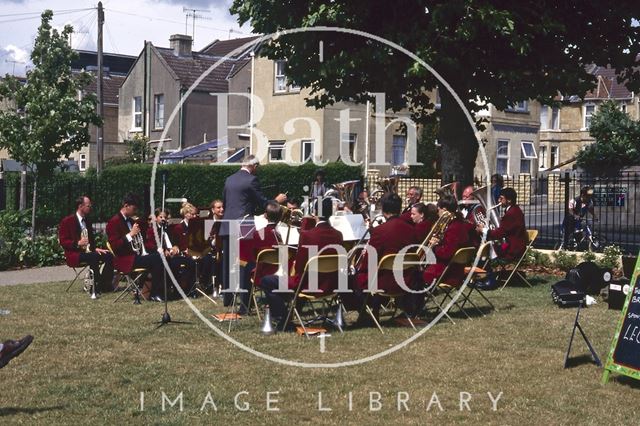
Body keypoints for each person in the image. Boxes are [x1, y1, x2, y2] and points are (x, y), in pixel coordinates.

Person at [260, 197, 343, 329]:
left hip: (308, 284)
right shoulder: (339, 235)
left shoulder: (308, 235)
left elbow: (300, 267)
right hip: (331, 284)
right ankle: (289, 314)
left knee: (266, 281)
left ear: (315, 213)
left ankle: (284, 319)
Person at [221, 155, 287, 306]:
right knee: (245, 263)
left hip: (227, 224)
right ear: (254, 166)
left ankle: (228, 299)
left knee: (227, 264)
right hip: (244, 224)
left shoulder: (229, 179)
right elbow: (263, 202)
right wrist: (277, 201)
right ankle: (245, 302)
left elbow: (225, 203)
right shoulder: (252, 180)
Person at [355, 193, 419, 320]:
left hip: (384, 282)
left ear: (383, 210)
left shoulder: (380, 231)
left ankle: (365, 315)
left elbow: (368, 262)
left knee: (353, 279)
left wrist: (359, 266)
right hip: (407, 279)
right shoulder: (412, 229)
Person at [106, 193, 165, 302]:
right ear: (126, 205)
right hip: (124, 259)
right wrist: (130, 235)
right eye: (134, 208)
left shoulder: (132, 221)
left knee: (159, 256)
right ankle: (154, 293)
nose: (135, 211)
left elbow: (142, 239)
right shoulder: (113, 222)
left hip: (134, 256)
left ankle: (154, 291)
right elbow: (115, 246)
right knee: (157, 259)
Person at [58, 195, 114, 293]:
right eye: (88, 206)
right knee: (93, 257)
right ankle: (96, 284)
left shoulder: (87, 221)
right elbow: (63, 241)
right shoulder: (67, 221)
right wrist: (77, 243)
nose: (90, 208)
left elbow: (90, 241)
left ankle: (104, 284)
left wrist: (95, 248)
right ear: (80, 206)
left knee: (108, 255)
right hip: (74, 254)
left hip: (88, 252)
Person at [422, 195, 472, 288]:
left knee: (416, 274)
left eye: (438, 210)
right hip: (454, 268)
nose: (438, 213)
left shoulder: (453, 228)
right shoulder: (459, 223)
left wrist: (435, 246)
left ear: (444, 210)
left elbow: (446, 253)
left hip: (449, 272)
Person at [146, 208, 196, 298]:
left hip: (172, 255)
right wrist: (161, 249)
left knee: (191, 262)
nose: (163, 219)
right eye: (160, 217)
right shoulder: (152, 230)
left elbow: (173, 243)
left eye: (164, 217)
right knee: (174, 265)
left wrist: (175, 247)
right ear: (156, 218)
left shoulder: (168, 229)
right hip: (160, 257)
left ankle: (189, 289)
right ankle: (173, 291)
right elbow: (149, 245)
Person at [476, 187, 527, 262]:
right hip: (514, 247)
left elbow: (498, 234)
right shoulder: (515, 210)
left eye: (501, 198)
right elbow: (505, 230)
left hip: (512, 251)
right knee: (492, 246)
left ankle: (487, 270)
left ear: (509, 200)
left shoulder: (511, 214)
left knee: (486, 248)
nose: (499, 200)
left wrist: (482, 229)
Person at [173, 202, 213, 295]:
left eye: (196, 214)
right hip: (185, 253)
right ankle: (192, 288)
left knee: (209, 259)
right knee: (191, 262)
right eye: (192, 214)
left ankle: (204, 283)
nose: (195, 216)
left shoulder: (198, 226)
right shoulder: (178, 228)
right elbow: (177, 244)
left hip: (197, 251)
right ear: (186, 214)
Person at [251, 201, 284, 289]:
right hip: (283, 274)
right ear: (281, 216)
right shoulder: (283, 234)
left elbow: (254, 257)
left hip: (262, 273)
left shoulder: (257, 234)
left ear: (265, 215)